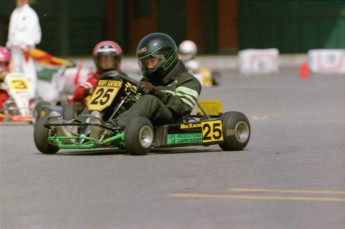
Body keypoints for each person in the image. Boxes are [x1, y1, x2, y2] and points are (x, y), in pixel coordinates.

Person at [106, 32, 202, 129]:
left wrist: (155, 92)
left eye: (151, 61)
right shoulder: (149, 79)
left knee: (150, 99)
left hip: (174, 122)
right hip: (147, 119)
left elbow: (182, 108)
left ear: (167, 58)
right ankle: (96, 123)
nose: (148, 66)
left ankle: (112, 127)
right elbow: (139, 103)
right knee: (118, 99)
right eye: (144, 63)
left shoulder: (189, 80)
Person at [71, 40, 123, 114]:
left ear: (117, 61)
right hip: (93, 114)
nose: (106, 64)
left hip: (117, 112)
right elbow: (77, 93)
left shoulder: (123, 79)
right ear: (97, 61)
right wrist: (91, 90)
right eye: (102, 60)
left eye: (110, 60)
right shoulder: (94, 79)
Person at [6, 0, 42, 100]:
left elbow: (34, 32)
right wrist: (10, 45)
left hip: (26, 48)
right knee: (16, 71)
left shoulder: (30, 14)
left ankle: (30, 96)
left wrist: (28, 45)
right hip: (15, 47)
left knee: (28, 70)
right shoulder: (15, 12)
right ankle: (17, 95)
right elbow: (12, 31)